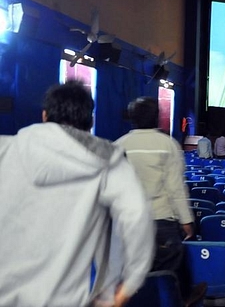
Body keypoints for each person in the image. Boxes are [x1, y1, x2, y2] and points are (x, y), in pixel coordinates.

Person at [0, 80, 154, 307]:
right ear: (90, 121)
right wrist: (129, 284)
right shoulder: (109, 160)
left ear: (44, 116)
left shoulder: (5, 148)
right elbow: (137, 217)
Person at [115, 97, 194, 276]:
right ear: (156, 117)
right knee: (166, 276)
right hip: (162, 221)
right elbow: (176, 188)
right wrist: (186, 220)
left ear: (132, 118)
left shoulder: (118, 145)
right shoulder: (168, 145)